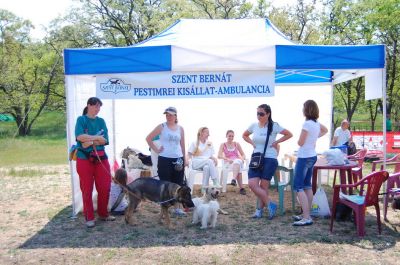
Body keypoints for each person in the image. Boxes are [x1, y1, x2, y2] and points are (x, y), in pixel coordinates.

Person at [243, 104, 293, 219]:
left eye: (261, 114)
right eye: (257, 113)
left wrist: (276, 142)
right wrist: (252, 143)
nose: (259, 116)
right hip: (256, 157)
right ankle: (270, 204)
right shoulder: (254, 125)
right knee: (252, 184)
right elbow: (244, 135)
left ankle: (259, 211)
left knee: (264, 186)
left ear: (268, 114)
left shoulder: (274, 126)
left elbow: (289, 134)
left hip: (270, 158)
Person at [75, 97, 115, 228]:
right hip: (84, 159)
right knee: (87, 189)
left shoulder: (101, 121)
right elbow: (80, 137)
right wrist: (97, 137)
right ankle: (89, 217)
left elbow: (105, 140)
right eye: (96, 106)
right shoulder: (81, 120)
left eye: (99, 107)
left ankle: (103, 214)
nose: (98, 109)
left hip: (101, 159)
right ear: (89, 106)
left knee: (104, 187)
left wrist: (90, 141)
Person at [146, 106, 187, 216]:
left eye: (170, 114)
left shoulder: (180, 128)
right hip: (164, 159)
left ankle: (177, 208)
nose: (168, 116)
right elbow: (148, 138)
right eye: (167, 114)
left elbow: (183, 145)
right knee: (165, 185)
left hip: (178, 159)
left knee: (178, 184)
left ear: (175, 116)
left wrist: (185, 159)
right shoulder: (162, 126)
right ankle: (164, 210)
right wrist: (156, 150)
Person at [293, 99, 328, 226]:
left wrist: (305, 139)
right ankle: (306, 214)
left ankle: (306, 216)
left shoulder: (307, 124)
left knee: (298, 186)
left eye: (303, 108)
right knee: (307, 185)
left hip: (304, 156)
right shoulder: (316, 123)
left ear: (306, 110)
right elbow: (326, 130)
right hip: (312, 155)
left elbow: (300, 143)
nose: (302, 110)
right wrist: (314, 137)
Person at [188, 127, 221, 191]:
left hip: (206, 162)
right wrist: (187, 161)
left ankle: (204, 189)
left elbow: (210, 155)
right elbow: (189, 154)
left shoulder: (209, 143)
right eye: (207, 132)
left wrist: (214, 158)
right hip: (196, 163)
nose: (209, 134)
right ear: (201, 133)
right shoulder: (194, 143)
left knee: (207, 167)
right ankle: (215, 181)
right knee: (209, 161)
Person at [218, 130, 247, 195]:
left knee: (237, 162)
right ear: (226, 136)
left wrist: (242, 158)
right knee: (238, 166)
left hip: (237, 161)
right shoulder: (223, 145)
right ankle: (241, 188)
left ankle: (233, 179)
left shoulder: (237, 144)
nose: (231, 137)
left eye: (232, 136)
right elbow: (219, 156)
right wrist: (227, 159)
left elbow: (243, 154)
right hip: (229, 163)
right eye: (229, 136)